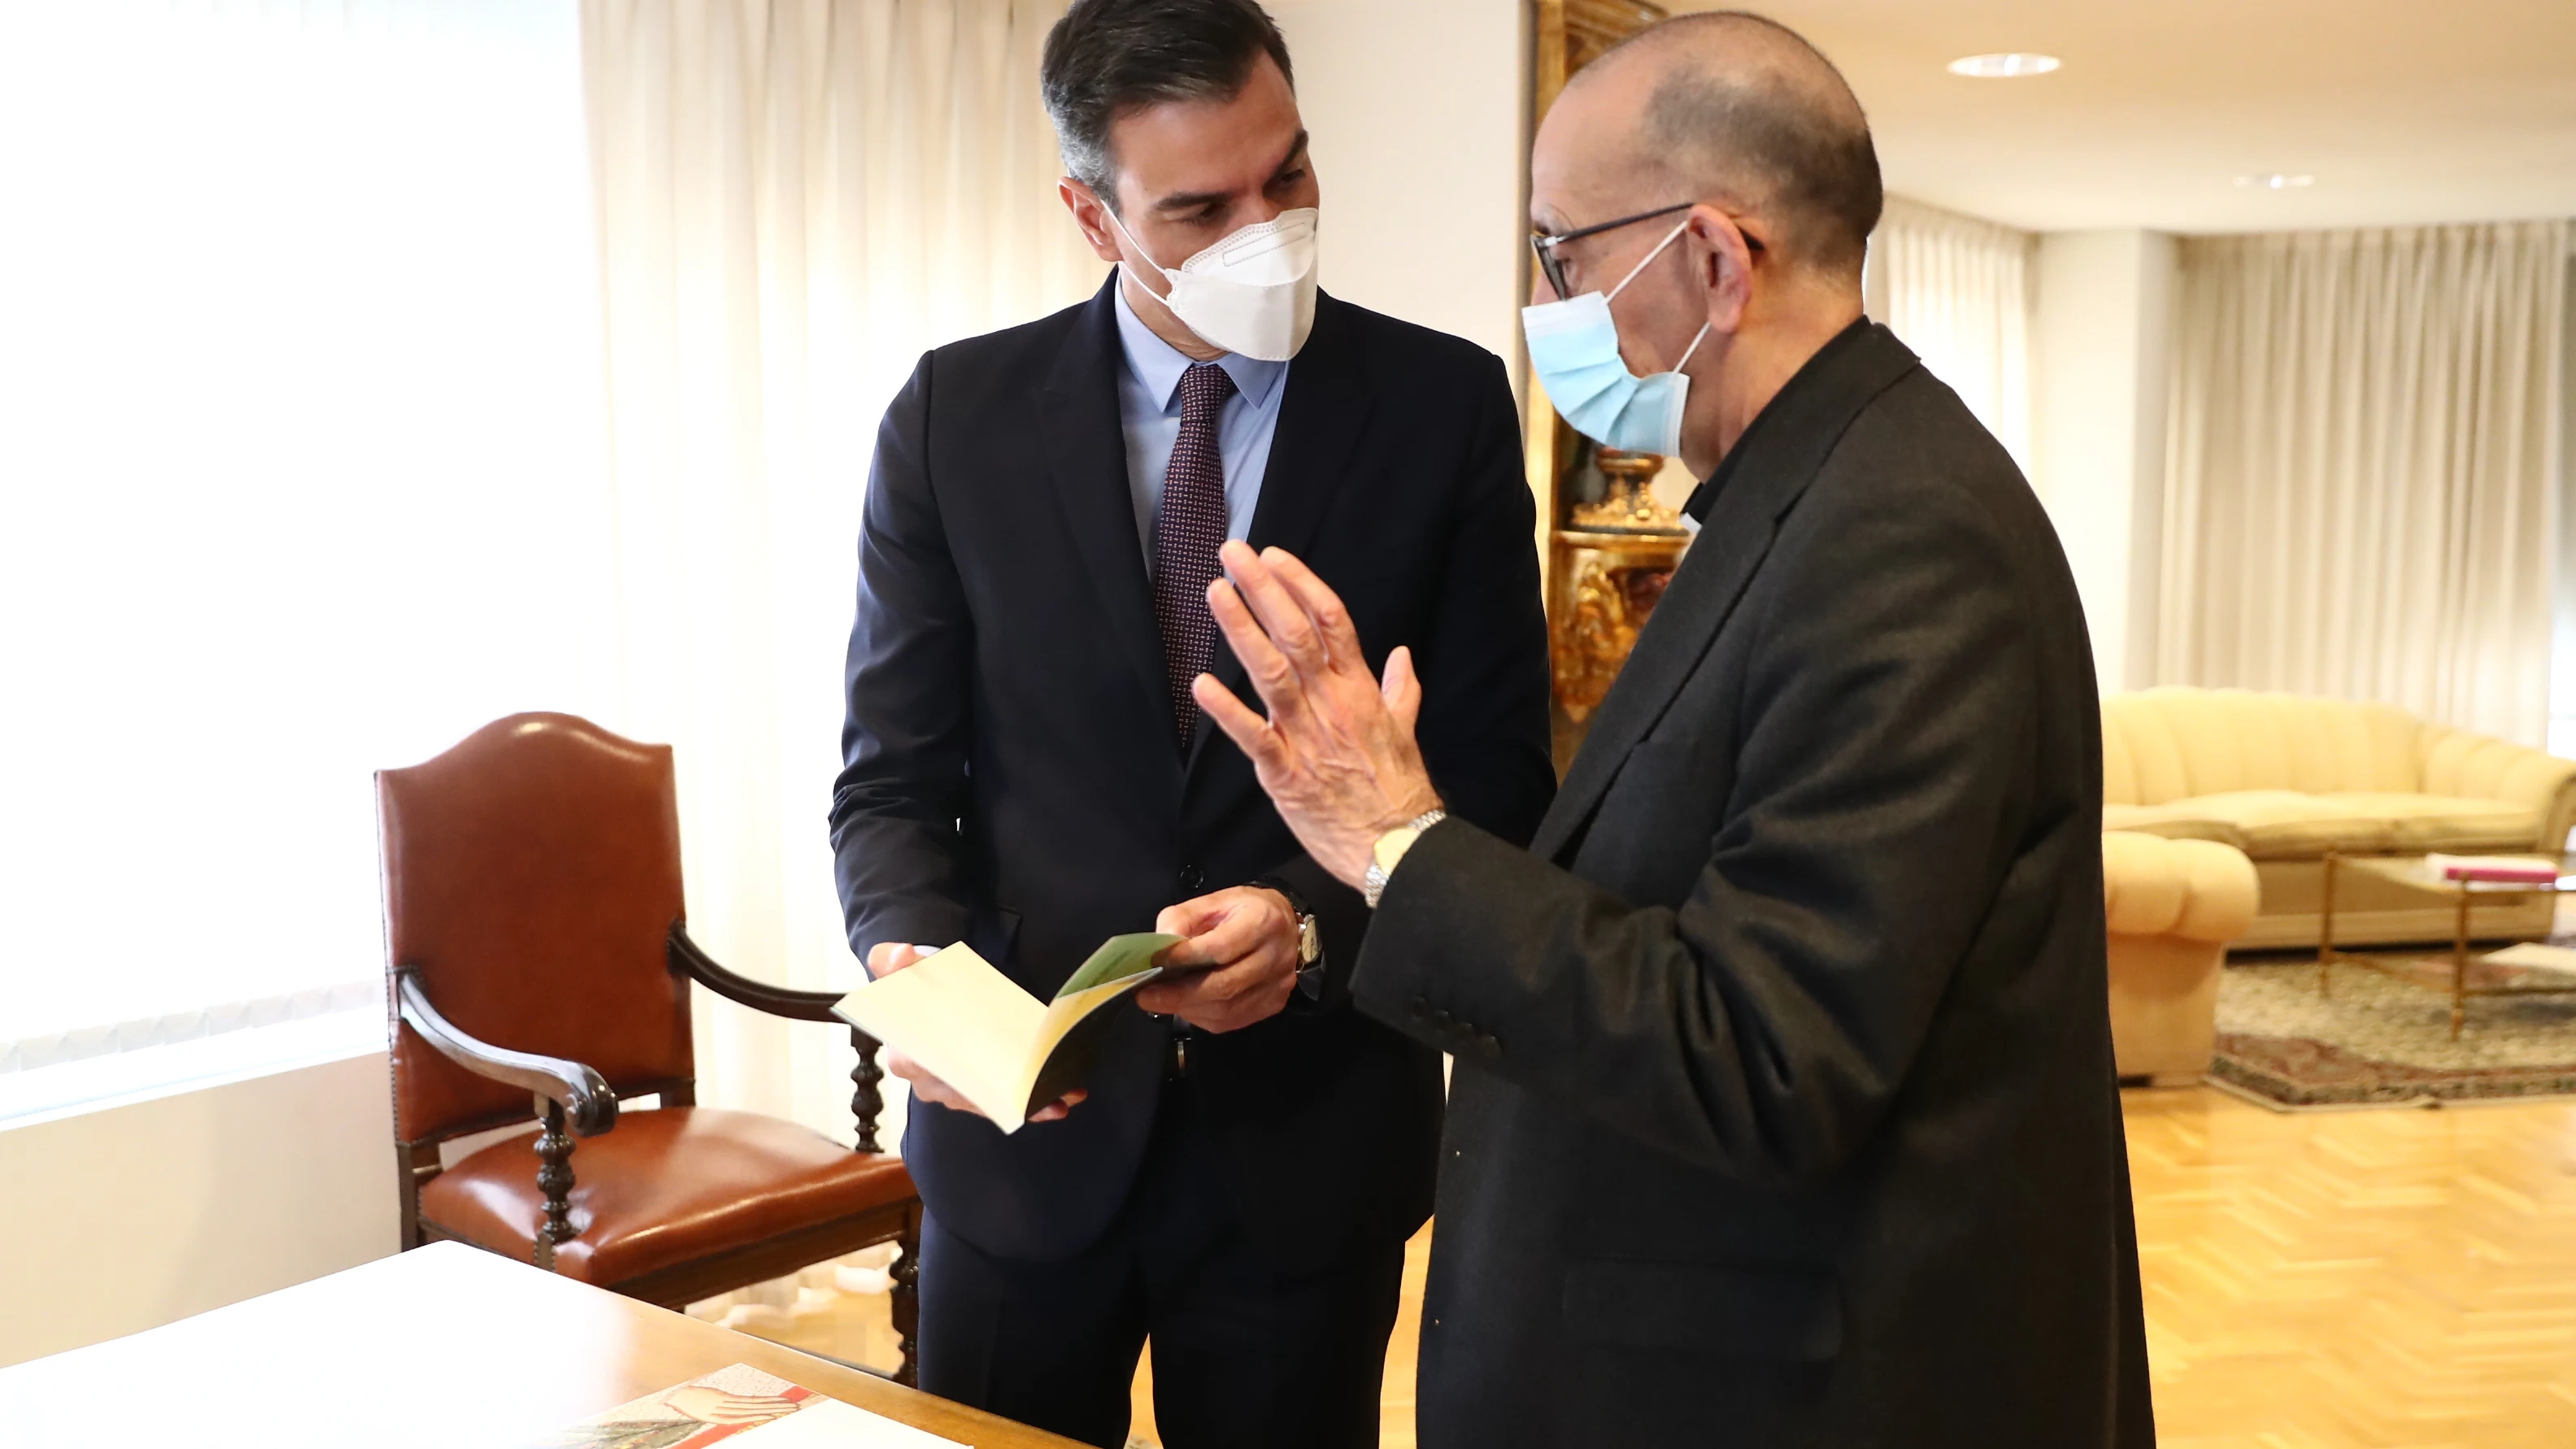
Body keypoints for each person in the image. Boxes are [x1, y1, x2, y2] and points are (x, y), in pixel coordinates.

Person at [1190, 12, 2154, 1448]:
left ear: (1712, 258)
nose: (1554, 301)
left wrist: (1397, 840)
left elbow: (1768, 1052)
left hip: (1809, 1385)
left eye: (1562, 254)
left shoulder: (1902, 536)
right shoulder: (1811, 490)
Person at [825, 1, 1554, 1445]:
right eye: (1201, 206)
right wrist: (906, 952)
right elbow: (890, 786)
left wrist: (1312, 929)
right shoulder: (951, 418)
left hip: (1308, 1145)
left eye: (1286, 174)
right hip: (1022, 1136)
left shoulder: (1444, 410)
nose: (1265, 225)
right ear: (1093, 218)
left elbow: (1495, 785)